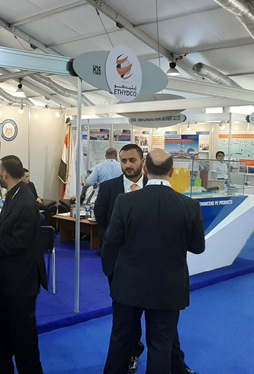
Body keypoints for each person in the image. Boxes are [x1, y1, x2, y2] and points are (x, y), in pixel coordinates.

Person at [102, 149, 205, 374]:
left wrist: (112, 271)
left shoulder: (124, 201)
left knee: (121, 340)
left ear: (146, 168)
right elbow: (198, 247)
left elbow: (111, 240)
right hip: (168, 287)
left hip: (128, 284)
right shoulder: (189, 206)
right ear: (172, 171)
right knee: (161, 345)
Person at [0, 155, 47, 374]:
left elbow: (18, 241)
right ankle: (1, 368)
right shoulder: (13, 194)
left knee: (23, 333)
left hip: (22, 278)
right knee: (3, 326)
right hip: (11, 276)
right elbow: (5, 229)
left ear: (5, 173)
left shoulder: (25, 200)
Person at [94, 143, 147, 372]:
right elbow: (101, 218)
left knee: (142, 308)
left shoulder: (153, 187)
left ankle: (135, 350)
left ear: (142, 161)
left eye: (132, 160)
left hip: (146, 262)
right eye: (124, 161)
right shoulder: (109, 188)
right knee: (123, 313)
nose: (127, 165)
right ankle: (130, 351)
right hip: (117, 261)